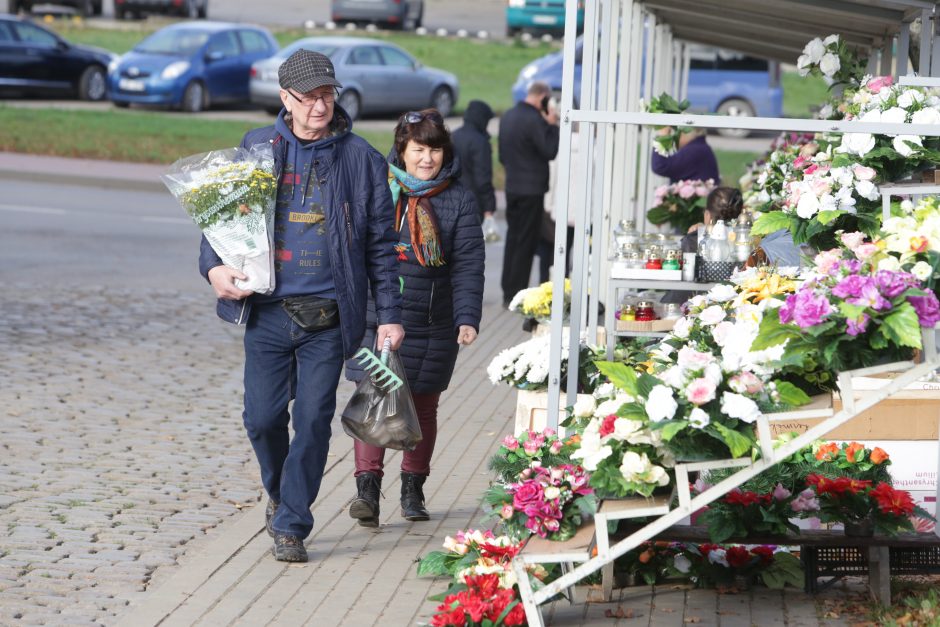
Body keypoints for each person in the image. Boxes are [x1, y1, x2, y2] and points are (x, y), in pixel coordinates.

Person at [198, 49, 404, 563]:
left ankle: (292, 523)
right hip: (267, 312)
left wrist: (390, 316)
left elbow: (381, 244)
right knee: (262, 419)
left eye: (328, 94)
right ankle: (279, 489)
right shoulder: (257, 146)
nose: (321, 105)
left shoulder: (362, 160)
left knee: (312, 420)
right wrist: (212, 268)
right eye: (310, 97)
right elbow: (222, 220)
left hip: (330, 319)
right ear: (285, 99)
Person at [346, 109, 485, 527]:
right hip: (377, 319)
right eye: (418, 149)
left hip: (434, 321)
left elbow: (468, 264)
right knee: (373, 396)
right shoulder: (378, 188)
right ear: (402, 151)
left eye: (435, 150)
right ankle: (367, 490)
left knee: (422, 407)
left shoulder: (458, 199)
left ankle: (413, 489)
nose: (427, 159)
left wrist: (467, 316)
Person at [498, 80, 560, 307]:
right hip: (531, 190)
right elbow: (550, 150)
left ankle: (507, 288)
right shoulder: (535, 120)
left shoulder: (509, 116)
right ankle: (517, 292)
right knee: (525, 242)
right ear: (543, 97)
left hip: (512, 187)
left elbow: (503, 156)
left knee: (513, 239)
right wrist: (552, 125)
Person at [452, 99, 497, 221]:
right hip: (473, 203)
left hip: (450, 199)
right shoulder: (480, 142)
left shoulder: (452, 136)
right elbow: (483, 179)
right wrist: (489, 206)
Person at [651, 128, 720, 184]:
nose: (674, 137)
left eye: (677, 132)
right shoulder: (700, 148)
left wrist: (662, 137)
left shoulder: (695, 150)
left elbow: (660, 166)